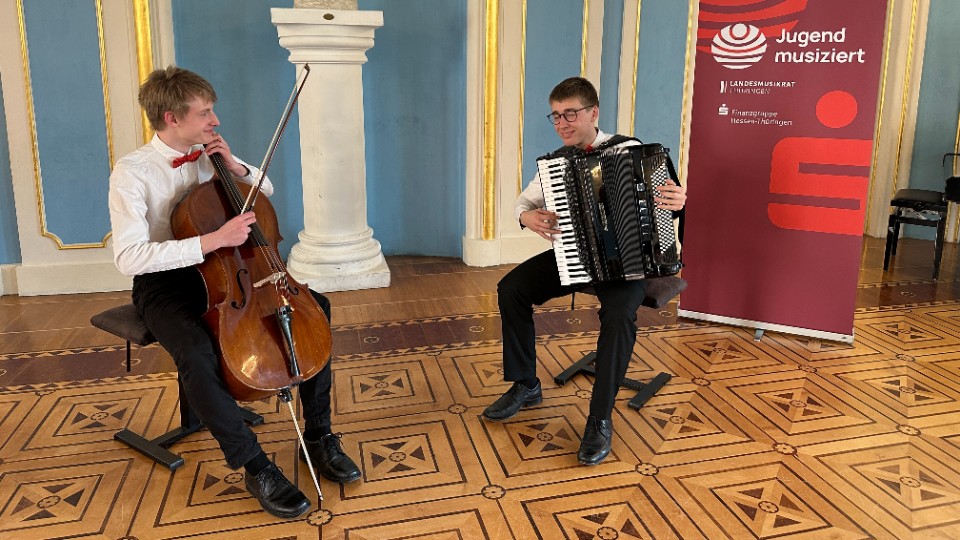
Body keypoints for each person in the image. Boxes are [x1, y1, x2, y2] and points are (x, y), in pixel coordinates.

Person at [108, 66, 360, 519]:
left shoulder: (211, 152)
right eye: (205, 113)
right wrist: (211, 240)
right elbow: (130, 257)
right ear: (171, 118)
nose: (215, 121)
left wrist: (235, 166)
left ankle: (319, 434)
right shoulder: (132, 172)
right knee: (195, 349)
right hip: (167, 281)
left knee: (314, 309)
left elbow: (263, 188)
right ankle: (254, 464)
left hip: (237, 270)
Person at [483, 77, 687, 466]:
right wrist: (526, 216)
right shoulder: (555, 163)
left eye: (570, 114)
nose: (562, 123)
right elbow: (523, 202)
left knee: (619, 315)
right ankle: (526, 384)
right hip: (576, 256)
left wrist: (678, 201)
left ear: (593, 113)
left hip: (628, 264)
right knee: (512, 288)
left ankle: (599, 418)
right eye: (556, 116)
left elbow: (669, 204)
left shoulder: (633, 151)